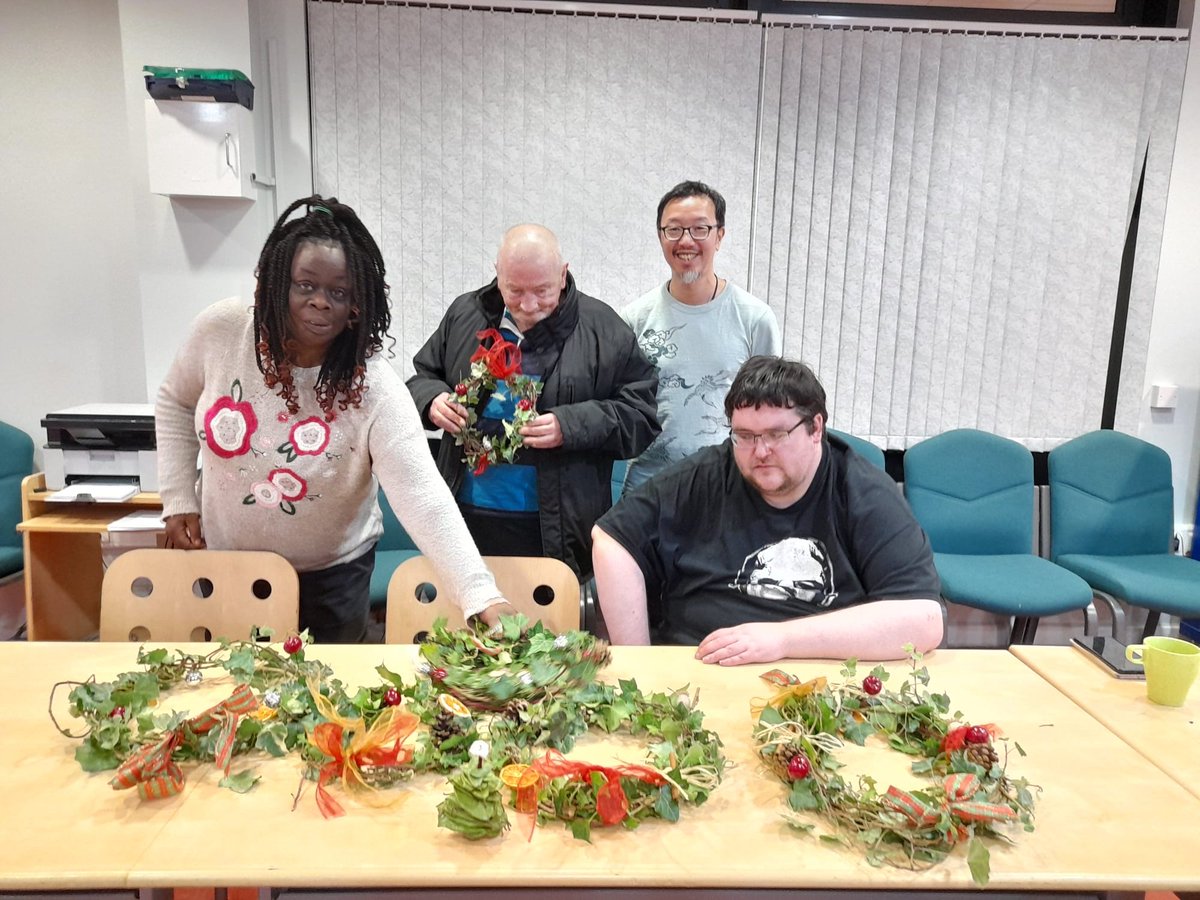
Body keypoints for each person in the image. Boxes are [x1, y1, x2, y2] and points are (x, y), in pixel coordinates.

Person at [156, 196, 515, 643]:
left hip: (332, 582)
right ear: (273, 282)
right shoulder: (221, 332)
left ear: (358, 305)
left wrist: (480, 594)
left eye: (339, 292)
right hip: (229, 566)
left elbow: (423, 494)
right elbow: (174, 402)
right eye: (305, 285)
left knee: (328, 707)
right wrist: (177, 500)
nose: (321, 302)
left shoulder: (374, 387)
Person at [592, 356, 942, 665]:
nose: (759, 452)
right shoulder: (704, 476)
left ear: (815, 428)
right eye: (744, 436)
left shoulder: (862, 492)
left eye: (776, 435)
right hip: (702, 666)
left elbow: (923, 620)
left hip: (820, 674)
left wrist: (780, 640)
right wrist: (638, 663)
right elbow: (610, 538)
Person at [407, 224, 659, 580]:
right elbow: (421, 377)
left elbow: (642, 417)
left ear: (563, 274)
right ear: (498, 274)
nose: (528, 305)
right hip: (464, 522)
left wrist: (570, 426)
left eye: (542, 291)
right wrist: (431, 400)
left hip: (555, 529)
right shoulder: (466, 314)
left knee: (551, 631)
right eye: (514, 290)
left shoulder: (603, 328)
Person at [620, 180, 780, 493]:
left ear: (719, 235)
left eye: (700, 229)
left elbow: (770, 413)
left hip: (726, 488)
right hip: (646, 489)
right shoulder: (634, 319)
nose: (686, 241)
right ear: (660, 236)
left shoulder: (754, 319)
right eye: (674, 229)